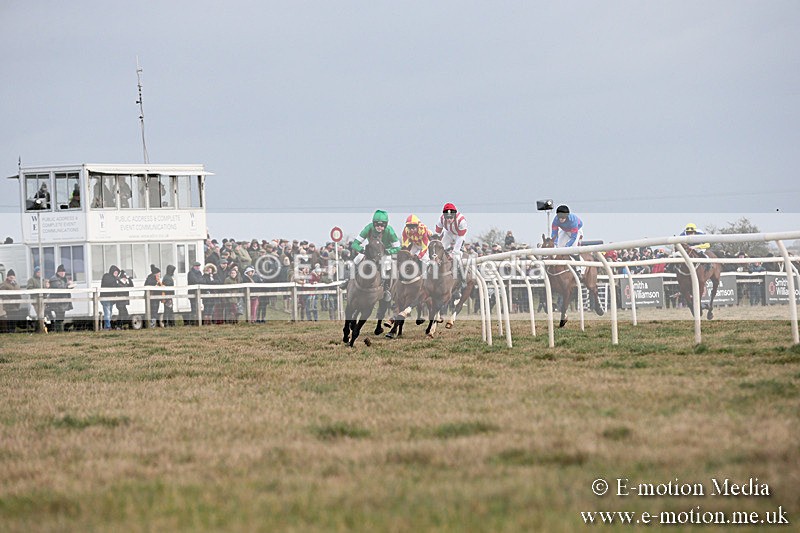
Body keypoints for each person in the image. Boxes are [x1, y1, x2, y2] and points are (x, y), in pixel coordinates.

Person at [351, 209, 401, 302]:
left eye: (382, 225)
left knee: (386, 264)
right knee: (357, 259)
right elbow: (354, 244)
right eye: (377, 224)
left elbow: (398, 247)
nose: (379, 227)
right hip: (371, 253)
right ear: (373, 224)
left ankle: (386, 289)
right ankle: (349, 282)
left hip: (385, 253)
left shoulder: (390, 231)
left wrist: (389, 251)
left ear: (386, 225)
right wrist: (361, 250)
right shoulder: (368, 228)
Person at [435, 203, 468, 299]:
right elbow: (436, 235)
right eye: (447, 217)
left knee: (457, 255)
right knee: (438, 250)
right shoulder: (441, 219)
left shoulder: (461, 221)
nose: (449, 219)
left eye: (450, 217)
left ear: (454, 215)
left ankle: (462, 280)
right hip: (448, 233)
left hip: (459, 235)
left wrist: (454, 252)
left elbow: (460, 238)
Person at [47, 264, 73, 332]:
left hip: (63, 301)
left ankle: (59, 330)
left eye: (64, 272)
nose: (63, 273)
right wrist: (68, 285)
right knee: (59, 316)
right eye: (61, 272)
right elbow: (59, 288)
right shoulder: (54, 279)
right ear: (58, 272)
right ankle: (59, 331)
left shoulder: (63, 279)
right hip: (57, 302)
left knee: (61, 316)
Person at [100, 265, 121, 330]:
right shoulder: (107, 276)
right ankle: (107, 326)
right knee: (107, 313)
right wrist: (117, 280)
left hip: (111, 298)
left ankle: (108, 326)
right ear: (112, 271)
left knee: (109, 312)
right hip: (105, 298)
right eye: (115, 272)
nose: (116, 274)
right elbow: (109, 283)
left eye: (117, 273)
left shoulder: (115, 279)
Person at [186, 261, 204, 325]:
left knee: (198, 307)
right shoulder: (190, 273)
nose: (198, 267)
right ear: (194, 266)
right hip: (192, 293)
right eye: (197, 266)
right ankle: (193, 321)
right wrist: (200, 281)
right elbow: (194, 281)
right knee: (193, 307)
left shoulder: (199, 273)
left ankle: (198, 321)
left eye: (199, 266)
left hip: (199, 293)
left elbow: (202, 280)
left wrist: (200, 281)